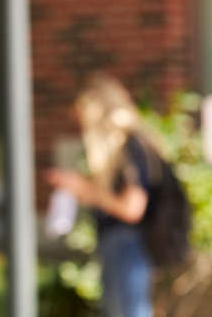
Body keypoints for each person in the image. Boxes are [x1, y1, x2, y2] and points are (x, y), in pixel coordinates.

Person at [45, 74, 165, 317]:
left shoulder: (132, 145)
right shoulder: (118, 151)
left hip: (129, 245)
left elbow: (132, 208)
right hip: (114, 244)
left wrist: (86, 189)